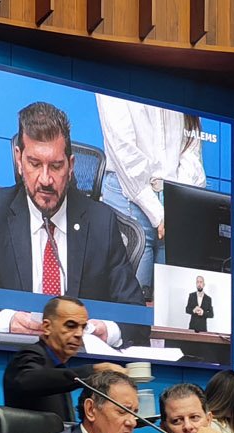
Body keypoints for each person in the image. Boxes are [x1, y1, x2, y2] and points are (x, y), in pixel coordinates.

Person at [0, 102, 142, 345]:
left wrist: (107, 330)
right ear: (19, 160)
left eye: (56, 166)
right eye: (34, 164)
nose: (45, 179)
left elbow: (136, 314)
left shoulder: (101, 223)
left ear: (71, 166)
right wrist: (8, 322)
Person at [95, 95, 206, 304]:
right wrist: (159, 213)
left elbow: (192, 152)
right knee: (132, 302)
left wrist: (178, 206)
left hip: (173, 199)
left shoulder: (185, 87)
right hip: (129, 194)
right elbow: (123, 150)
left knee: (171, 305)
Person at [2, 296, 125, 424]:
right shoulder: (28, 356)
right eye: (71, 326)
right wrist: (93, 371)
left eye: (83, 327)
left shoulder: (58, 366)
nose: (79, 334)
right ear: (47, 327)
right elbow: (28, 380)